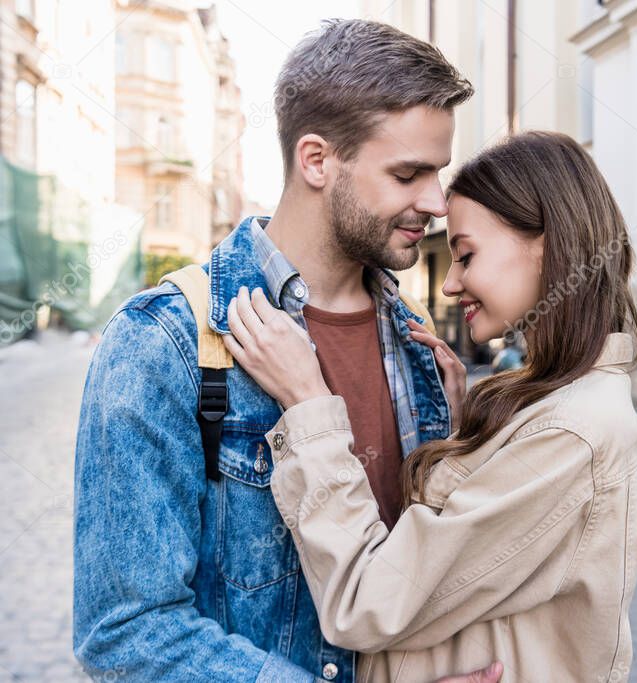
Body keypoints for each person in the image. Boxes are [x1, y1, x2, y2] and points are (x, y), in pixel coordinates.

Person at [73, 19, 498, 683]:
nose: (436, 203)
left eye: (437, 174)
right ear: (317, 160)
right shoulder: (165, 342)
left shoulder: (417, 342)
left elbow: (412, 577)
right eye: (409, 173)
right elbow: (127, 631)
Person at [225, 131, 637, 682]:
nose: (449, 285)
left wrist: (308, 405)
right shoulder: (555, 406)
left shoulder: (573, 432)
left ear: (546, 245)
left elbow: (366, 603)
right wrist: (464, 438)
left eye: (466, 255)